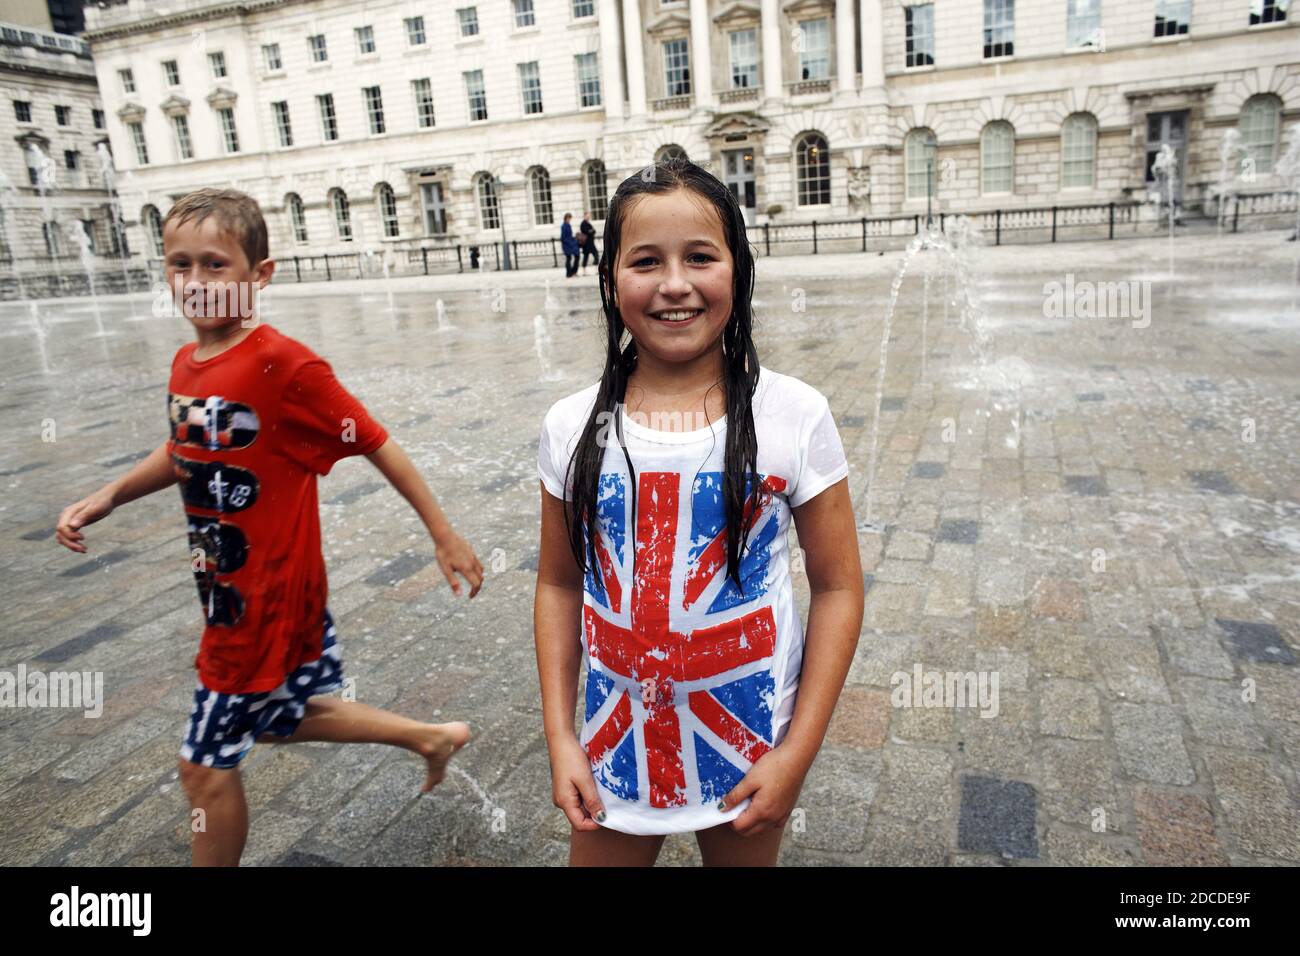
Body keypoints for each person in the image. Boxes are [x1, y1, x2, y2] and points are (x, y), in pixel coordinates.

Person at [55, 187, 485, 866]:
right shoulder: (186, 365)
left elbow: (374, 439)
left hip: (263, 604)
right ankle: (428, 737)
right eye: (179, 264)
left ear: (261, 274)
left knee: (202, 769)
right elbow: (187, 447)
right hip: (230, 590)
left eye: (215, 265)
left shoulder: (284, 365)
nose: (195, 283)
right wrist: (111, 493)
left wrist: (443, 533)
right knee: (280, 718)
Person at [534, 158, 864, 866]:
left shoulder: (794, 415)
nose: (674, 284)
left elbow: (838, 586)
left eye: (701, 257)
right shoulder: (571, 425)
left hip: (748, 743)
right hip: (614, 748)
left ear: (737, 271)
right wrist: (561, 737)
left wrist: (796, 754)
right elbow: (558, 584)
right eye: (645, 261)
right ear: (610, 277)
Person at [578, 211, 599, 276]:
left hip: (591, 243)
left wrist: (591, 231)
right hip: (586, 244)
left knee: (596, 255)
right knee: (586, 257)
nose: (588, 217)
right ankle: (584, 272)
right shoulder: (583, 224)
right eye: (587, 216)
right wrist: (590, 231)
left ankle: (597, 270)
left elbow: (594, 231)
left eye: (589, 216)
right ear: (584, 216)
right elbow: (586, 231)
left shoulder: (588, 224)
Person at [560, 212, 580, 278]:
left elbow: (570, 236)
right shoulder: (563, 226)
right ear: (566, 218)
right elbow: (563, 237)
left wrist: (574, 239)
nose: (570, 220)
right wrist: (572, 242)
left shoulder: (568, 225)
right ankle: (569, 273)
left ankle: (572, 272)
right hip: (567, 245)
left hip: (570, 244)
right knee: (569, 258)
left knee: (575, 257)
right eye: (569, 218)